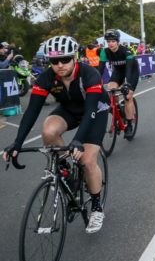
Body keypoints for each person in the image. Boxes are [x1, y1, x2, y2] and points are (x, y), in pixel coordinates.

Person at [2, 35, 109, 233]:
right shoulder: (46, 77)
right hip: (69, 109)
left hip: (95, 111)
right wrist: (17, 143)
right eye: (53, 61)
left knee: (86, 160)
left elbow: (91, 110)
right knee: (48, 130)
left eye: (65, 59)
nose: (59, 64)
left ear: (75, 57)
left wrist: (77, 140)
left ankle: (96, 206)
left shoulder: (89, 74)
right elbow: (32, 111)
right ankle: (65, 171)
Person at [98, 29, 140, 139]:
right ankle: (118, 112)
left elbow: (129, 70)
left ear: (117, 41)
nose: (110, 43)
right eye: (108, 41)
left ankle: (129, 124)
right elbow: (100, 69)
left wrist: (127, 84)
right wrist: (95, 82)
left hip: (131, 71)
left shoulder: (126, 51)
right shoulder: (104, 51)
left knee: (128, 96)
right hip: (118, 72)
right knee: (110, 90)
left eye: (113, 41)